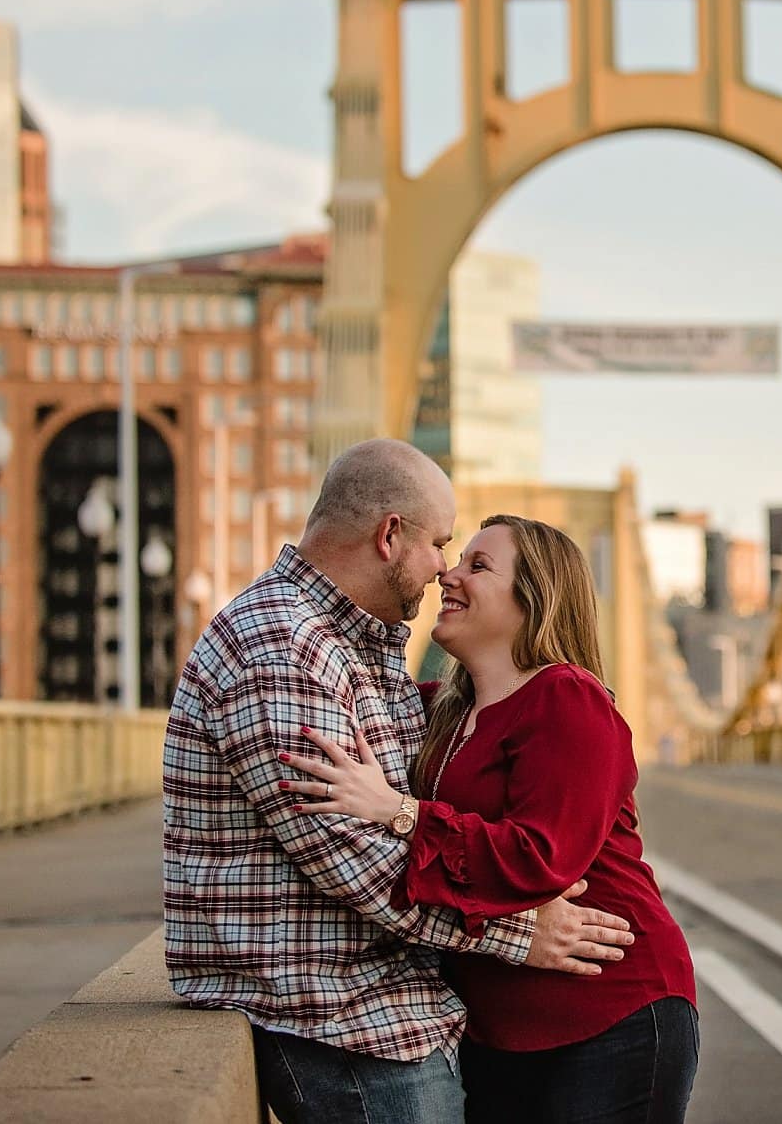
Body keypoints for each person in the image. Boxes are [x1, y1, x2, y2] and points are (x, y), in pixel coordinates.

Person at [164, 440, 637, 1124]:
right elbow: (353, 860)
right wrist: (521, 932)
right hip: (342, 1022)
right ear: (390, 535)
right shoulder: (283, 647)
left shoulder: (358, 648)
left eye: (469, 559)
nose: (445, 569)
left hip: (391, 1012)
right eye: (442, 545)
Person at [280, 513, 699, 1123]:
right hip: (496, 1032)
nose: (448, 575)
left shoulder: (567, 698)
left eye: (478, 566)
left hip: (612, 1012)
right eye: (456, 559)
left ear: (533, 599)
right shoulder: (440, 713)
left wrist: (401, 813)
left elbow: (541, 860)